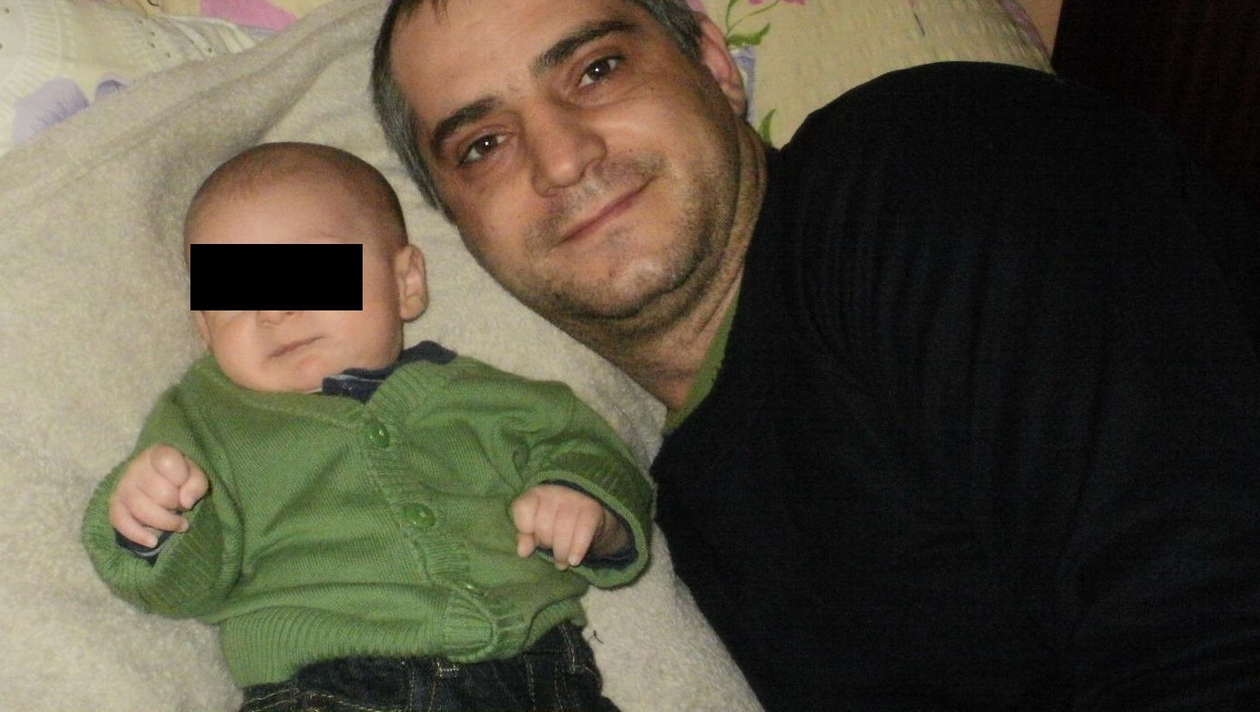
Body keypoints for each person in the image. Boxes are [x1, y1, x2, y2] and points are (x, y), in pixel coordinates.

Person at [371, 0, 1260, 709]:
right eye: (483, 146)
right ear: (461, 232)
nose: (562, 159)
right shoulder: (662, 522)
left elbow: (1207, 622)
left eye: (597, 70)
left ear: (715, 65)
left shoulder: (923, 163)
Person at [81, 141, 653, 712]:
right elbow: (183, 587)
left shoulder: (496, 402)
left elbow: (591, 454)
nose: (274, 310)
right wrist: (151, 520)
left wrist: (586, 507)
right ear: (205, 329)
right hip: (328, 687)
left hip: (540, 677)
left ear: (406, 283)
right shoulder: (205, 419)